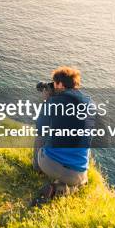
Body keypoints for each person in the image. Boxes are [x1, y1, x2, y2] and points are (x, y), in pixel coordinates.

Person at [33, 66, 94, 200]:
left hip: (49, 165)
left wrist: (46, 101)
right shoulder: (90, 103)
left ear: (60, 84)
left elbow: (40, 128)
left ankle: (37, 169)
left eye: (54, 83)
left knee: (40, 136)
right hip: (79, 173)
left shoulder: (54, 102)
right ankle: (62, 189)